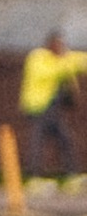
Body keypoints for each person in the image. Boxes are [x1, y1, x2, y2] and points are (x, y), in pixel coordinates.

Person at [18, 24, 84, 187]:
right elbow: (50, 72)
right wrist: (67, 63)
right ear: (50, 44)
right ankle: (35, 177)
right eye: (58, 44)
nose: (61, 47)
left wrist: (70, 62)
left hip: (53, 109)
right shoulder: (38, 57)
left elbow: (80, 60)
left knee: (64, 139)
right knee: (38, 141)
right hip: (39, 107)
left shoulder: (60, 59)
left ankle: (71, 175)